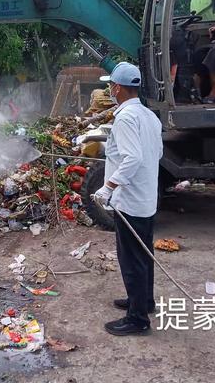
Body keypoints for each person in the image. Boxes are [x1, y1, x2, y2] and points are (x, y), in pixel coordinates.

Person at [94, 62, 163, 336]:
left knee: (131, 259)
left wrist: (108, 187)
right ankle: (144, 301)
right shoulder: (149, 116)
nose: (110, 89)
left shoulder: (124, 118)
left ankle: (137, 319)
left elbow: (132, 157)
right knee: (144, 254)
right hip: (146, 198)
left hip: (130, 201)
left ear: (118, 88)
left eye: (111, 85)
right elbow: (154, 155)